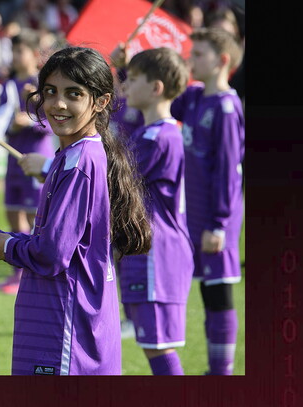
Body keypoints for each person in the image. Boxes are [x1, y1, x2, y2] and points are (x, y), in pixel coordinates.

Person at [0, 46, 152, 375]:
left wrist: (4, 246)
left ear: (101, 102)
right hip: (59, 318)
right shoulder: (70, 155)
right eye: (50, 92)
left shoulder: (80, 162)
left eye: (73, 94)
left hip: (65, 324)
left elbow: (52, 254)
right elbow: (53, 241)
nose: (57, 104)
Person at [170, 27, 244, 375]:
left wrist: (219, 223)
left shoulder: (227, 108)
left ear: (222, 61)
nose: (191, 60)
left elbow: (229, 171)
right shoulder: (195, 97)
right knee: (205, 294)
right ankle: (215, 370)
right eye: (191, 53)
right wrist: (125, 70)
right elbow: (162, 99)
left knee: (218, 294)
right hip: (194, 215)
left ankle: (222, 372)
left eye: (199, 55)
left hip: (218, 219)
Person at [118, 47, 194, 375]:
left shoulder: (158, 137)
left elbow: (113, 179)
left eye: (133, 79)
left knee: (157, 345)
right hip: (146, 250)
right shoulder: (151, 133)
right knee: (152, 345)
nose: (125, 86)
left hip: (158, 255)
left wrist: (51, 166)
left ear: (156, 88)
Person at [0, 30, 56, 294]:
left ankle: (35, 271)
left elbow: (51, 123)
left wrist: (29, 119)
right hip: (13, 158)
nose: (16, 57)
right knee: (13, 213)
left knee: (35, 217)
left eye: (20, 51)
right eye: (13, 51)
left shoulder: (42, 83)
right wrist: (10, 127)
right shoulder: (8, 85)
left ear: (33, 54)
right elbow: (1, 119)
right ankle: (16, 275)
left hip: (35, 159)